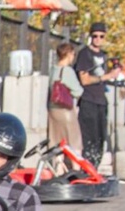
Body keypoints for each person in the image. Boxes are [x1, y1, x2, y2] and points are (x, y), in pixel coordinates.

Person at [74, 21, 113, 169]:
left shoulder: (104, 55)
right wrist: (105, 77)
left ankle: (94, 169)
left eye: (101, 36)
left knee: (100, 138)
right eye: (95, 36)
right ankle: (87, 169)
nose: (98, 39)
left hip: (101, 101)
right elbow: (84, 79)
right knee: (89, 138)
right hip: (88, 100)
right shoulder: (85, 54)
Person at [47, 41, 83, 170]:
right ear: (68, 54)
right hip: (66, 110)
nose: (73, 57)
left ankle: (59, 171)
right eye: (73, 54)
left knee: (57, 142)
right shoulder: (67, 71)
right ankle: (76, 171)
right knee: (74, 142)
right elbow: (78, 91)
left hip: (52, 109)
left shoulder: (53, 69)